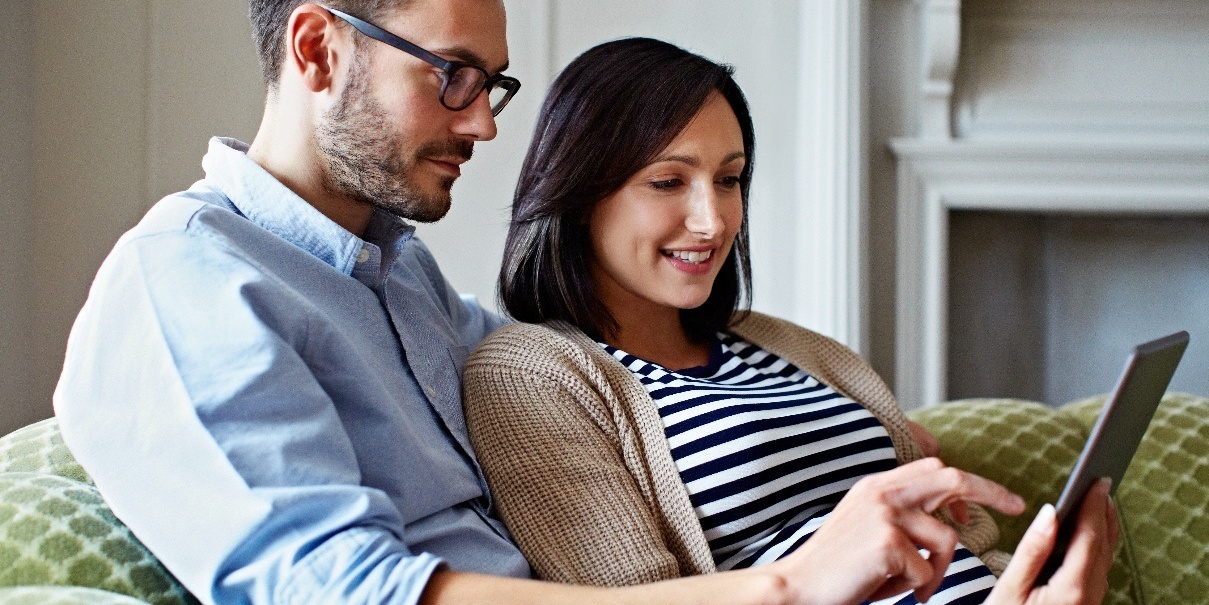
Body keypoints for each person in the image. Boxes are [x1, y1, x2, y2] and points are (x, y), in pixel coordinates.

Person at [50, 0, 1115, 603]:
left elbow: (596, 367)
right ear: (321, 48)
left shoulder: (399, 276)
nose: (485, 125)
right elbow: (356, 595)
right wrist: (787, 586)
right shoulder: (187, 280)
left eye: (494, 84)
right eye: (453, 75)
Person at [462, 37, 1119, 605]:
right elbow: (628, 595)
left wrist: (1037, 579)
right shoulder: (530, 374)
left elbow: (964, 541)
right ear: (577, 195)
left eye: (729, 179)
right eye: (667, 182)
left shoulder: (784, 346)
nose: (713, 220)